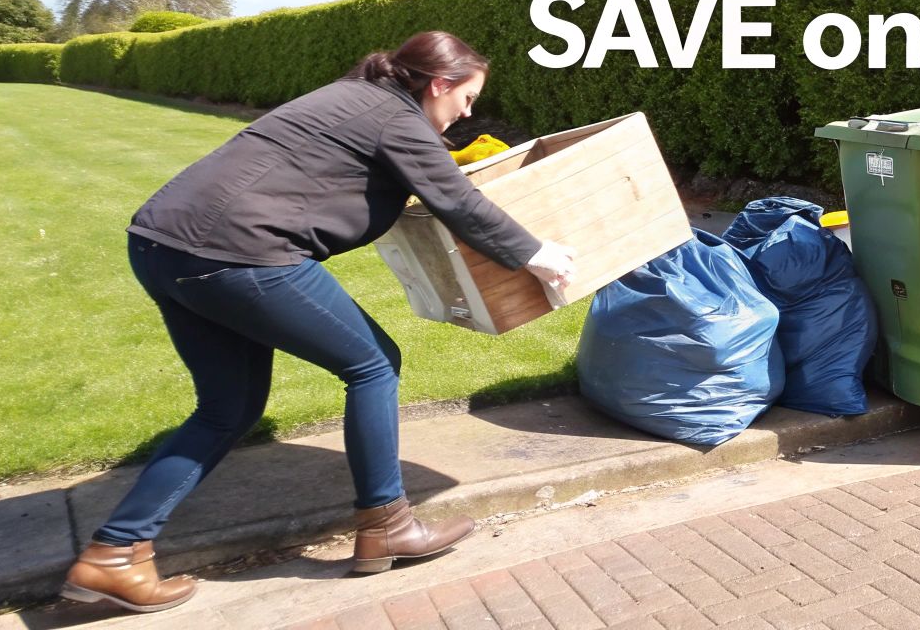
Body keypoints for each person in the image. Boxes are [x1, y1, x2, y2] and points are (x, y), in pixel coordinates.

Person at [60, 31, 576, 614]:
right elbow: (455, 199)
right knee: (373, 364)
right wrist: (537, 253)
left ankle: (113, 556)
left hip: (161, 245)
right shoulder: (395, 116)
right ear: (439, 84)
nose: (468, 112)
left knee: (227, 407)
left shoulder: (351, 96)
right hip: (240, 253)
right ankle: (388, 524)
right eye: (467, 98)